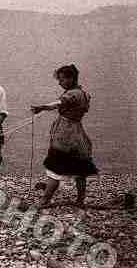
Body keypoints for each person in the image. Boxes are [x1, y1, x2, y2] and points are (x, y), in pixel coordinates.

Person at [31, 64, 98, 209]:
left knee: (55, 168)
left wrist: (41, 107)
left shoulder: (73, 94)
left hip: (66, 135)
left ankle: (44, 201)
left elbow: (59, 103)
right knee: (81, 170)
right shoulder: (84, 94)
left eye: (62, 80)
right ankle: (80, 200)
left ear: (71, 78)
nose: (60, 83)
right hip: (77, 134)